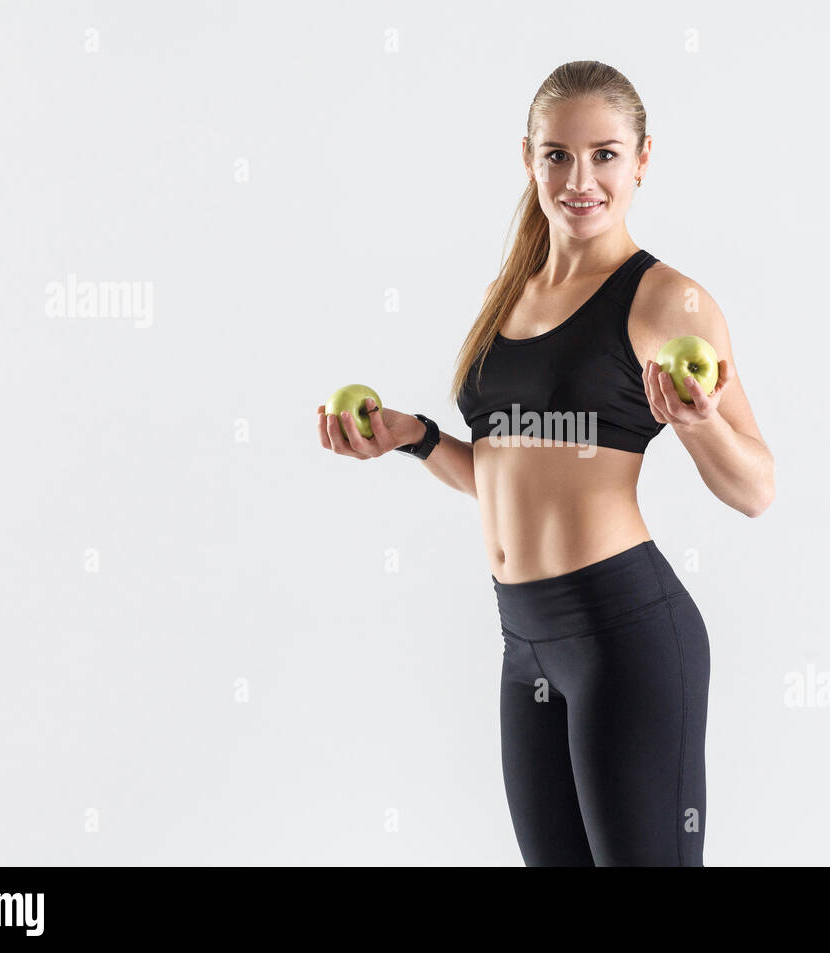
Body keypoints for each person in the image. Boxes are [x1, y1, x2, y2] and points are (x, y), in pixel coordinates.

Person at [318, 60, 775, 866]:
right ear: (527, 159)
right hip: (523, 645)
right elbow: (507, 480)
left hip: (625, 636)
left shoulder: (667, 302)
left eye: (604, 154)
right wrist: (416, 438)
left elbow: (757, 489)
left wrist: (699, 423)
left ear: (642, 160)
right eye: (557, 155)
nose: (580, 179)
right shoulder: (509, 295)